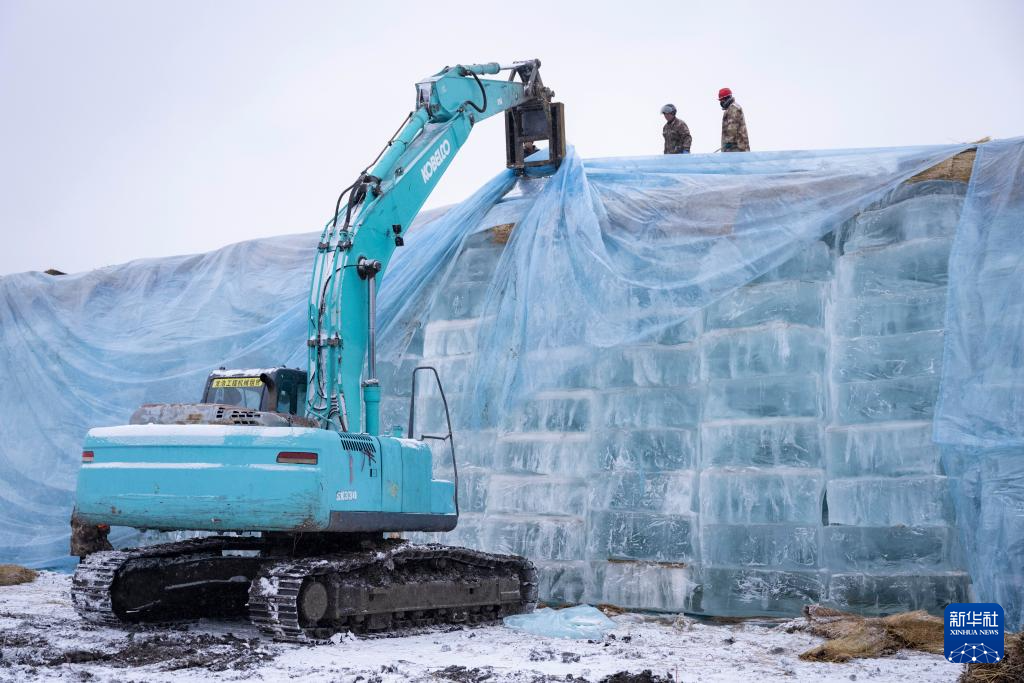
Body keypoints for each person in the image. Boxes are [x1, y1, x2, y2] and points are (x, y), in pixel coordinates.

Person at [718, 88, 749, 152]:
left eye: (721, 100)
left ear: (726, 99)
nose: (721, 103)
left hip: (737, 147)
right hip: (732, 148)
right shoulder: (730, 109)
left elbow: (732, 126)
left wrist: (729, 141)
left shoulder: (733, 108)